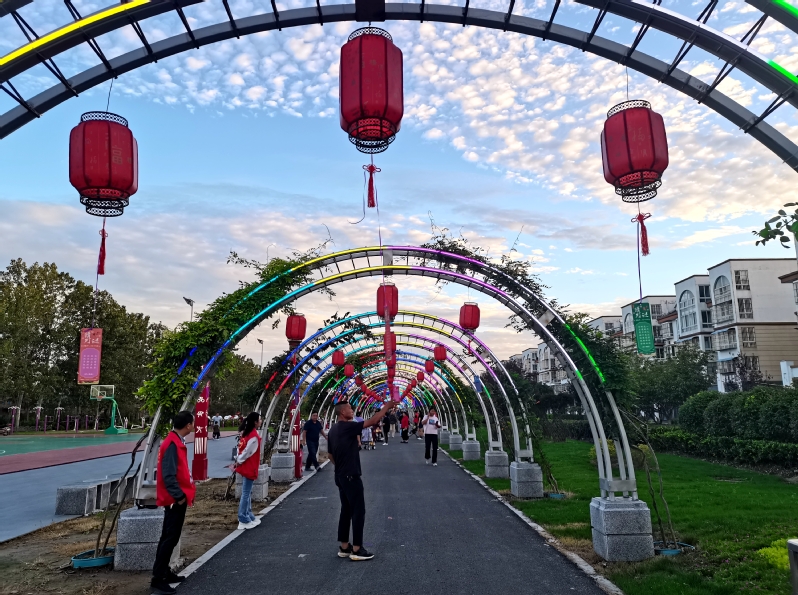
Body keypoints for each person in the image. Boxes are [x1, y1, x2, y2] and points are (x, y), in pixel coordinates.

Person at [327, 398, 391, 561]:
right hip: (351, 475)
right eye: (350, 408)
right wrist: (387, 406)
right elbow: (373, 421)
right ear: (343, 412)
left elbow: (330, 455)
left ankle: (344, 546)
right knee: (358, 511)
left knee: (346, 510)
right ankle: (357, 549)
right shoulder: (348, 426)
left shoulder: (333, 429)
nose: (352, 410)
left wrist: (341, 466)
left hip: (340, 475)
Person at [151, 411, 196, 595]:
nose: (194, 426)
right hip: (174, 500)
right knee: (169, 538)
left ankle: (164, 571)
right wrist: (178, 496)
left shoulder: (176, 441)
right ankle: (158, 578)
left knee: (171, 537)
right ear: (188, 425)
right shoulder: (172, 444)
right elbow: (168, 474)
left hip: (176, 498)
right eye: (192, 423)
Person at [234, 412, 262, 530]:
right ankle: (243, 518)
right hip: (249, 466)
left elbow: (240, 448)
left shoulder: (246, 433)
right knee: (246, 493)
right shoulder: (253, 436)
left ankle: (249, 515)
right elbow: (247, 452)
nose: (261, 421)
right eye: (259, 419)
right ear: (255, 422)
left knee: (247, 492)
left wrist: (238, 459)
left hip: (246, 465)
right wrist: (239, 460)